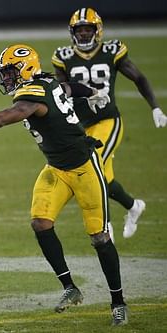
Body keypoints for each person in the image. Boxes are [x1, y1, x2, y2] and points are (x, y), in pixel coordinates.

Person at [0, 44, 129, 326]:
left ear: (25, 68)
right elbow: (68, 87)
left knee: (99, 238)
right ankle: (70, 287)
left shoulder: (31, 96)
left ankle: (118, 303)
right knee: (40, 223)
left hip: (84, 168)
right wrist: (92, 92)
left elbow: (1, 119)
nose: (6, 79)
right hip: (56, 168)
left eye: (10, 72)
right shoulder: (46, 80)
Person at [52, 7, 167, 240]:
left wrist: (155, 107)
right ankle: (134, 206)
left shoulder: (112, 51)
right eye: (79, 30)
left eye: (88, 29)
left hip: (108, 120)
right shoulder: (63, 57)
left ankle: (104, 223)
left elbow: (139, 78)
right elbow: (59, 93)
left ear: (98, 30)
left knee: (91, 168)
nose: (84, 34)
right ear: (72, 32)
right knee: (103, 176)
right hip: (81, 125)